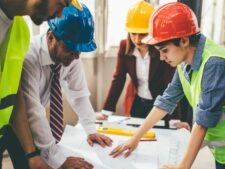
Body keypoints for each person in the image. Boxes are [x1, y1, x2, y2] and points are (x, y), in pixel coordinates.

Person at [109, 2, 225, 169]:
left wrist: (182, 167)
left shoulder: (214, 65)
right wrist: (135, 138)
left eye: (164, 50)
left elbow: (202, 123)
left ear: (184, 40)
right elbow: (167, 100)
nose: (161, 57)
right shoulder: (185, 61)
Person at [20, 4, 113, 169]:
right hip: (18, 124)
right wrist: (57, 158)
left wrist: (91, 129)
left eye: (80, 50)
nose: (77, 56)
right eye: (72, 49)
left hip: (35, 118)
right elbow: (33, 112)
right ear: (51, 38)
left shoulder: (70, 57)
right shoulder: (29, 57)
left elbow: (79, 95)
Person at [0, 0, 80, 168]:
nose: (59, 15)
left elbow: (15, 94)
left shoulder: (19, 30)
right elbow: (34, 110)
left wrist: (32, 154)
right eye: (62, 4)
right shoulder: (31, 53)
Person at [98, 1, 190, 129]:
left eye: (142, 34)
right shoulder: (124, 46)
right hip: (137, 103)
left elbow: (171, 84)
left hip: (160, 105)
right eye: (133, 33)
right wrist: (106, 112)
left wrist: (175, 120)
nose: (137, 39)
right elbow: (118, 79)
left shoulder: (162, 50)